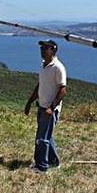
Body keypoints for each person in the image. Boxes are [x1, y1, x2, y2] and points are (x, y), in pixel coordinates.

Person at [24, 40, 67, 173]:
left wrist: (51, 108)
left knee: (41, 138)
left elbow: (63, 90)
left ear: (53, 51)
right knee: (47, 136)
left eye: (45, 48)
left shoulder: (58, 67)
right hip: (42, 107)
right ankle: (54, 162)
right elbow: (40, 85)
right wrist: (30, 102)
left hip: (49, 109)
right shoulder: (43, 66)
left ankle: (41, 167)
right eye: (42, 48)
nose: (42, 51)